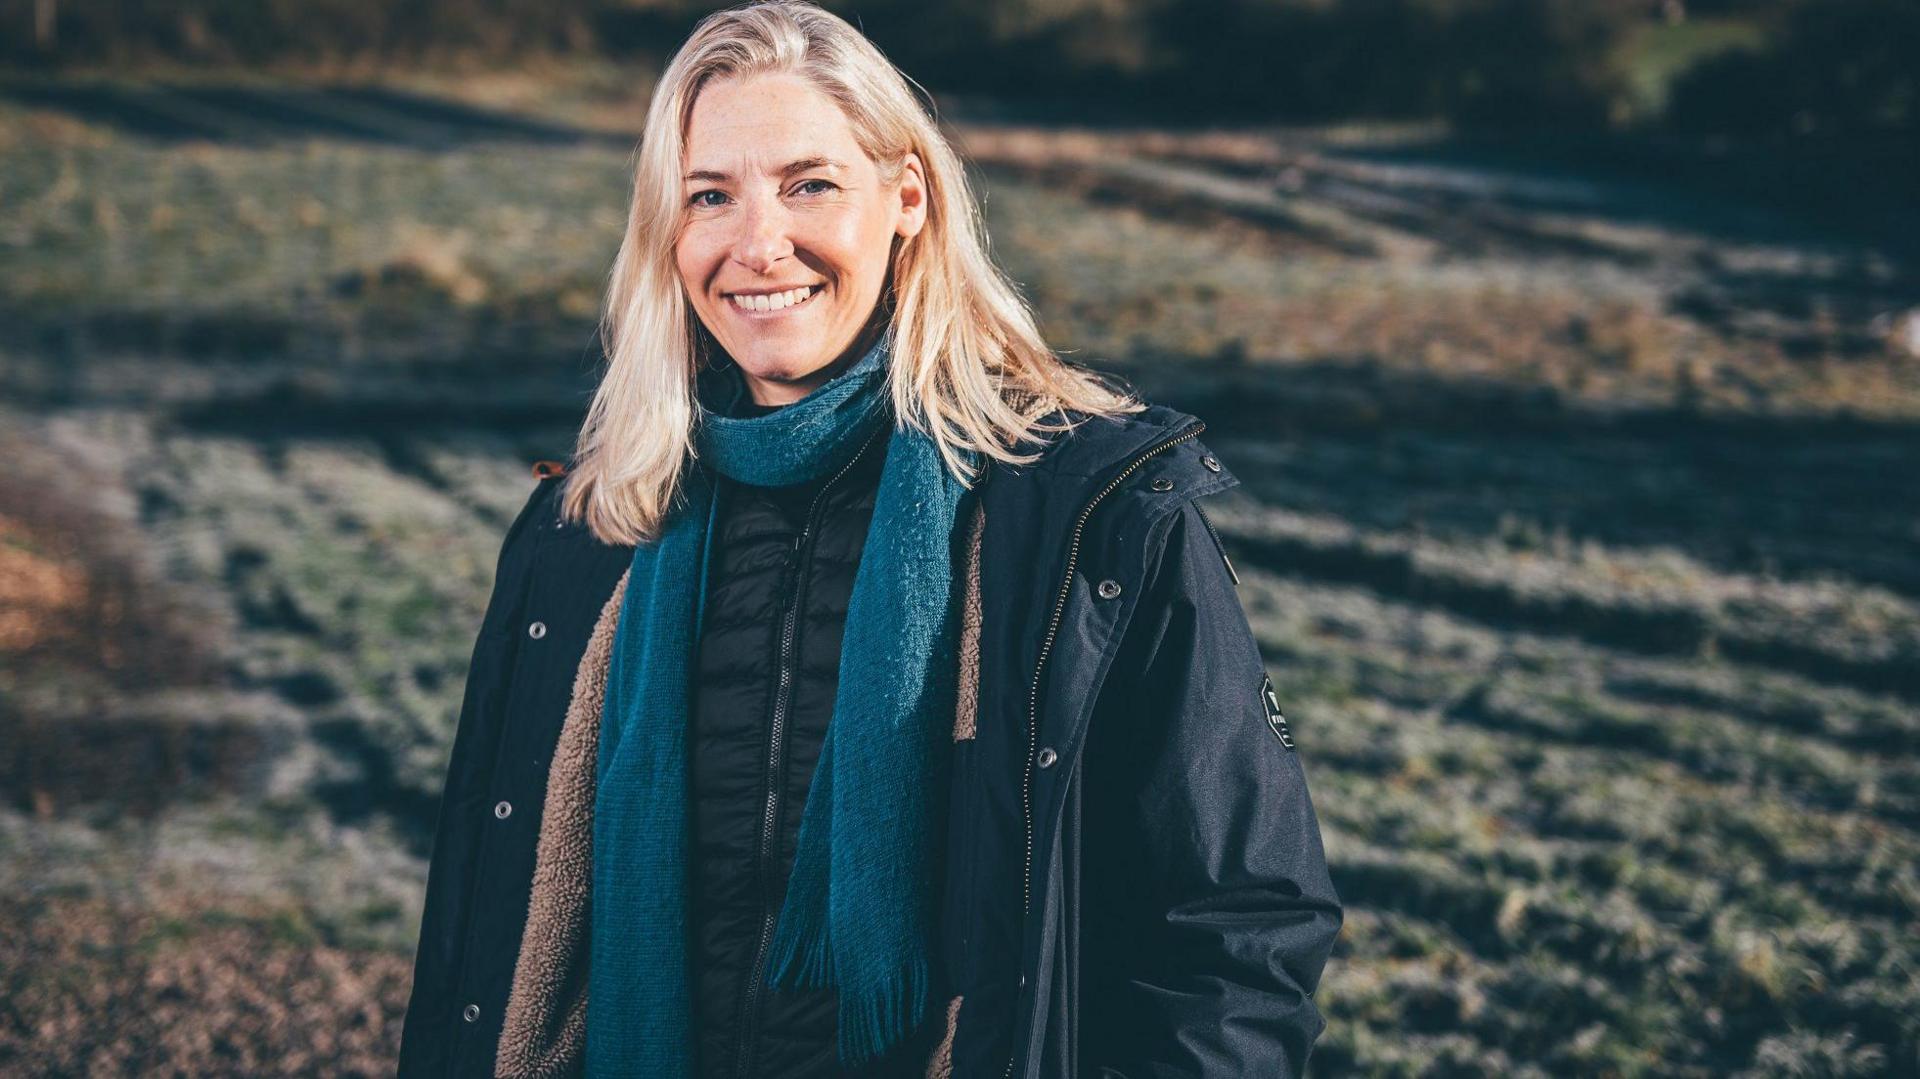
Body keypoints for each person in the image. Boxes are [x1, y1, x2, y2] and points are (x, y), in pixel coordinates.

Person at [396, 2, 1343, 1077]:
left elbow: (1236, 929)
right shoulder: (590, 532)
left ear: (907, 198)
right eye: (711, 196)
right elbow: (485, 928)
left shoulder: (1088, 521)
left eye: (810, 183)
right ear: (669, 232)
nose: (759, 244)